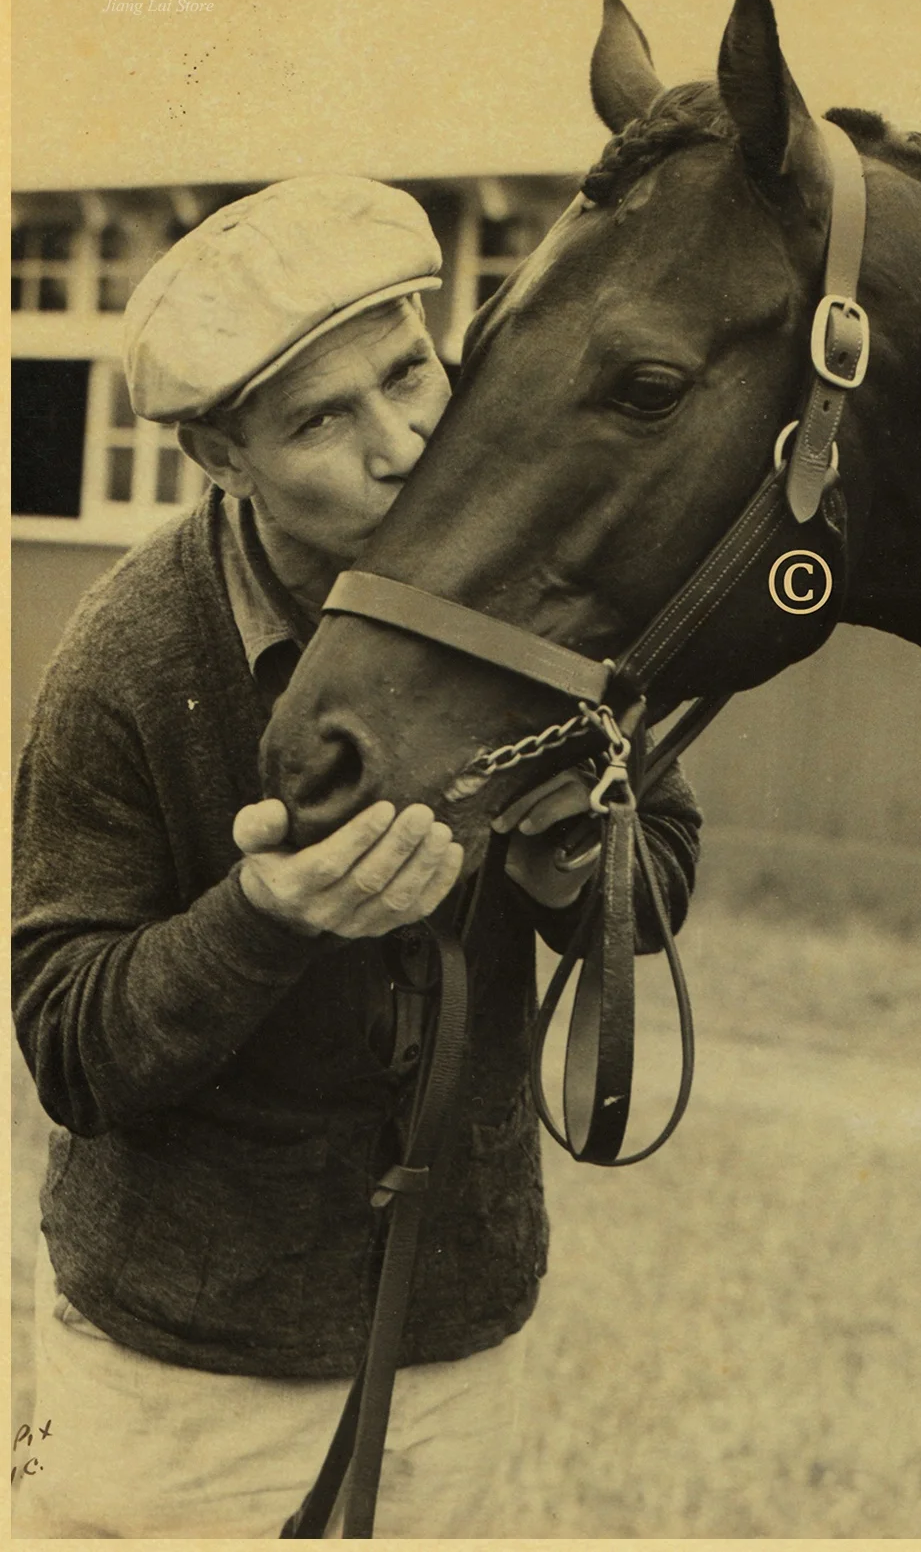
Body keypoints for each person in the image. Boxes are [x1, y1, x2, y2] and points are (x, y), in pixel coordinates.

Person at [12, 176, 702, 1537]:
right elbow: (70, 1051)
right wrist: (262, 921)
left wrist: (570, 842)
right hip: (180, 1379)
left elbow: (661, 857)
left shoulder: (540, 597)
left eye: (408, 373)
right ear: (222, 459)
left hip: (456, 1335)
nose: (401, 444)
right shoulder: (128, 659)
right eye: (322, 419)